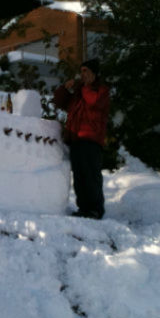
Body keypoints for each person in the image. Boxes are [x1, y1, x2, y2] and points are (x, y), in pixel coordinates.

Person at [53, 58, 110, 219]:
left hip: (91, 139)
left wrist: (82, 87)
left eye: (86, 71)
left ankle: (95, 209)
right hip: (76, 138)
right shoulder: (79, 93)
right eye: (82, 71)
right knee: (79, 176)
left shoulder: (100, 91)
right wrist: (65, 88)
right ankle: (84, 208)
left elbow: (93, 101)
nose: (83, 74)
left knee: (91, 175)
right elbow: (59, 101)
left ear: (94, 73)